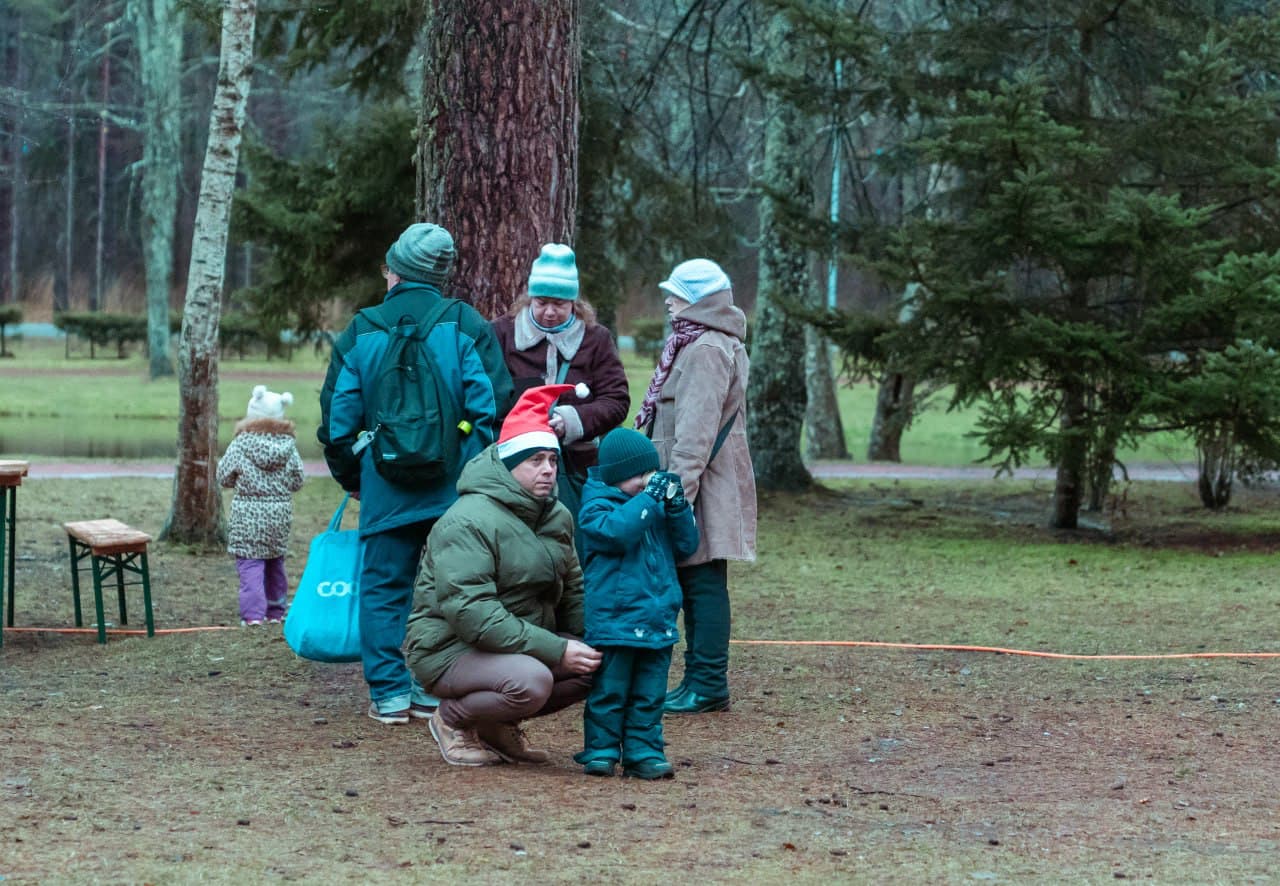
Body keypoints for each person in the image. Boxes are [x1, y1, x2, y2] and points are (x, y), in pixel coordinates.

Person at [319, 222, 514, 725]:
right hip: (456, 489)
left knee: (384, 586)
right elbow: (493, 405)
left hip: (384, 486)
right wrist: (467, 462)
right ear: (441, 274)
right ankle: (436, 686)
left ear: (396, 270)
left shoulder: (362, 329)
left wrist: (355, 476)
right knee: (454, 587)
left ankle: (388, 692)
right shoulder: (466, 324)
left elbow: (338, 421)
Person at [406, 383, 602, 767]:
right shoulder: (467, 520)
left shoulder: (556, 514)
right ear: (509, 464)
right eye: (535, 461)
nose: (548, 470)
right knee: (531, 680)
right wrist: (557, 650)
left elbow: (573, 589)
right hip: (449, 649)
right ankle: (451, 720)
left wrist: (596, 638)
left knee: (596, 663)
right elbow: (471, 612)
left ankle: (496, 725)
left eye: (553, 460)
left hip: (512, 643)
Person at [634, 258, 757, 715]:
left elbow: (695, 435)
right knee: (698, 583)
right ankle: (701, 681)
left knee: (702, 584)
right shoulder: (697, 342)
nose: (669, 299)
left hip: (700, 486)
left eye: (679, 292)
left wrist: (675, 502)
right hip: (697, 483)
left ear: (701, 299)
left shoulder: (705, 348)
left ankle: (706, 684)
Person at [573, 428, 699, 779]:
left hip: (657, 617)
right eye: (638, 476)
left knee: (649, 693)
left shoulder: (653, 506)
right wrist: (650, 499)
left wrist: (676, 507)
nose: (646, 483)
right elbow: (618, 532)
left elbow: (687, 545)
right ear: (614, 475)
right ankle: (601, 749)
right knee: (609, 690)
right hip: (615, 620)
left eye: (650, 474)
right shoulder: (596, 507)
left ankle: (644, 751)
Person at [491, 243, 631, 530]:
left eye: (560, 304)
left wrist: (573, 420)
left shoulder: (596, 339)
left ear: (574, 303)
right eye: (542, 302)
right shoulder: (501, 333)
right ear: (529, 298)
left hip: (576, 467)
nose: (550, 312)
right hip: (514, 467)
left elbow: (617, 400)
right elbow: (487, 396)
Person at [217, 385, 306, 626]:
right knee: (275, 561)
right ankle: (276, 612)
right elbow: (298, 480)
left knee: (250, 564)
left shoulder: (240, 444)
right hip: (279, 515)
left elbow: (224, 477)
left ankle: (254, 615)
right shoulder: (288, 447)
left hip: (248, 515)